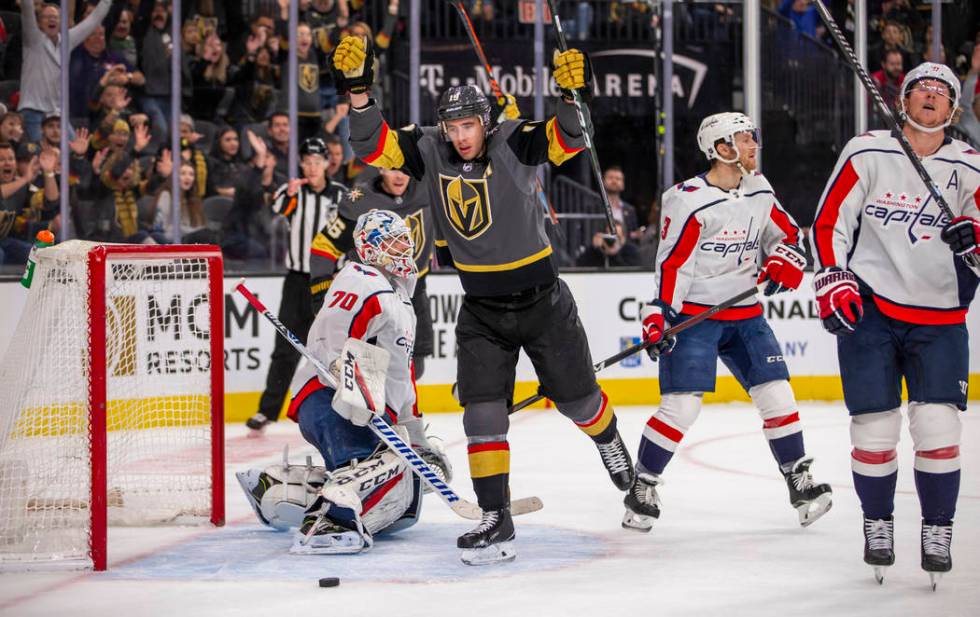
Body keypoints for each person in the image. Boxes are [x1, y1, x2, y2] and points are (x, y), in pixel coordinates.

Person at [339, 35, 636, 565]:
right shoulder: (427, 148)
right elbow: (371, 146)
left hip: (543, 302)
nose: (460, 136)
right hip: (482, 309)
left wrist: (573, 97)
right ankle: (495, 516)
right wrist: (359, 94)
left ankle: (608, 438)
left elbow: (568, 140)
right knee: (481, 414)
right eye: (452, 127)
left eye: (468, 126)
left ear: (484, 121)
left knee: (579, 402)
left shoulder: (514, 140)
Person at [810, 62, 978, 587]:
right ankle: (877, 523)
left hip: (940, 316)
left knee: (938, 429)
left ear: (954, 109)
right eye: (920, 89)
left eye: (942, 92)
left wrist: (974, 235)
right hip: (872, 308)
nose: (931, 96)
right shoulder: (867, 150)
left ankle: (937, 528)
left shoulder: (971, 166)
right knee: (874, 430)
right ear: (901, 101)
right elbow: (828, 221)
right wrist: (832, 276)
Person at [625, 112, 833, 533]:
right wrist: (660, 313)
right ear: (722, 148)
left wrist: (786, 258)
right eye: (745, 138)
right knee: (682, 407)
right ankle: (641, 487)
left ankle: (798, 479)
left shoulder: (758, 189)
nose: (755, 144)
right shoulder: (688, 200)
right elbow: (673, 264)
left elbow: (790, 236)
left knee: (778, 396)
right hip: (695, 317)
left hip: (746, 315)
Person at [237, 209, 431, 554]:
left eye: (405, 240)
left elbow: (402, 373)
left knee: (406, 492)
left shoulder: (401, 298)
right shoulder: (361, 278)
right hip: (329, 399)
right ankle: (330, 522)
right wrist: (352, 382)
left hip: (364, 410)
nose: (404, 247)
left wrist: (412, 428)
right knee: (377, 467)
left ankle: (278, 488)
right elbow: (329, 336)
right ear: (371, 248)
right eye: (393, 240)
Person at [245, 138, 346, 432]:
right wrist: (288, 192)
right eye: (307, 162)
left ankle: (343, 408)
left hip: (330, 282)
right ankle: (267, 411)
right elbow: (278, 208)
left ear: (328, 163)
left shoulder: (341, 196)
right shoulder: (294, 191)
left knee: (334, 347)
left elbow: (350, 233)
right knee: (285, 346)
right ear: (301, 164)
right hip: (297, 281)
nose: (312, 168)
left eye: (318, 162)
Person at [18, 0, 112, 142]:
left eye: (55, 17)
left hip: (57, 113)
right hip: (33, 111)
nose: (52, 19)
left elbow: (94, 19)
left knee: (75, 151)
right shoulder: (33, 39)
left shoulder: (67, 40)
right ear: (38, 23)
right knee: (39, 153)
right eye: (47, 17)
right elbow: (27, 8)